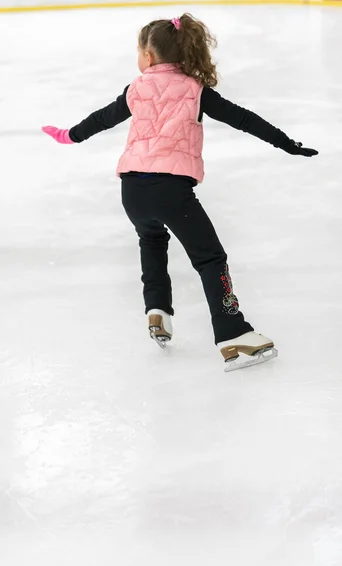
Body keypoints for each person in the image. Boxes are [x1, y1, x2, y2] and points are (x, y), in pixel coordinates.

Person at [42, 13, 318, 371]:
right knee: (210, 259)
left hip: (132, 190)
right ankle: (233, 333)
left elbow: (99, 120)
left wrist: (68, 135)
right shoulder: (195, 91)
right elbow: (246, 120)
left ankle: (157, 310)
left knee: (152, 242)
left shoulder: (135, 90)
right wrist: (288, 145)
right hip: (171, 189)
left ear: (150, 57)